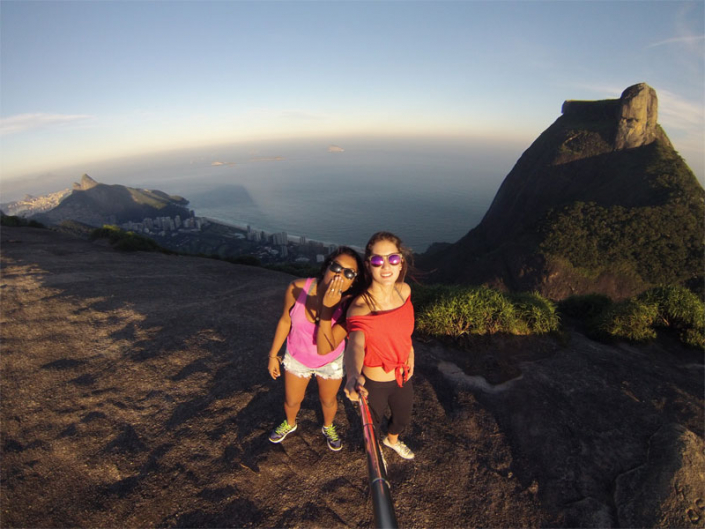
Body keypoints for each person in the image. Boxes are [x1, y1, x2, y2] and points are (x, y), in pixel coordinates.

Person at [267, 246, 365, 451]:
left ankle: (328, 426)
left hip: (329, 362)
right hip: (297, 357)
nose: (340, 275)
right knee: (292, 401)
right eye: (337, 267)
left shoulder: (349, 307)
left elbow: (325, 349)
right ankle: (291, 423)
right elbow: (285, 321)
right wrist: (273, 355)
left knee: (328, 401)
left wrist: (328, 307)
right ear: (326, 266)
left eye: (349, 273)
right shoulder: (297, 288)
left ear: (353, 281)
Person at [344, 231, 416, 460]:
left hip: (402, 375)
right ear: (368, 265)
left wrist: (410, 353)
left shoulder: (405, 291)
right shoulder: (360, 307)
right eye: (378, 260)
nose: (386, 266)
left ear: (401, 261)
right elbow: (355, 344)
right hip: (374, 382)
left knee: (403, 418)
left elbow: (403, 329)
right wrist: (353, 375)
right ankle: (376, 455)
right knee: (370, 424)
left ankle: (392, 440)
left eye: (393, 258)